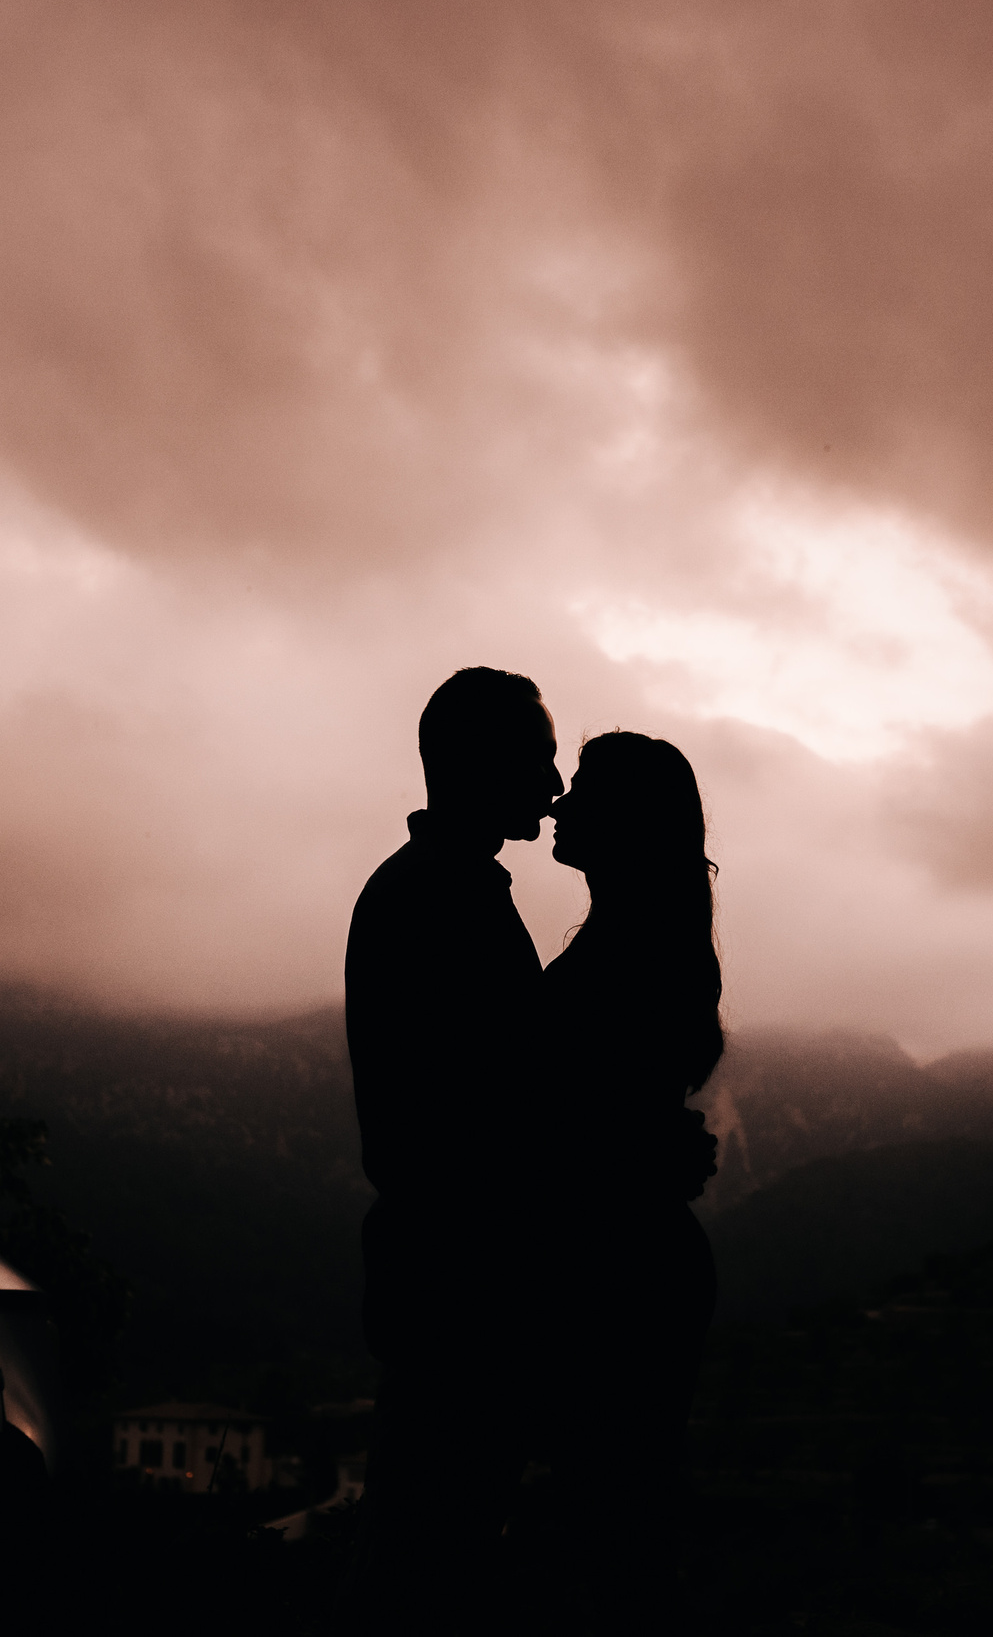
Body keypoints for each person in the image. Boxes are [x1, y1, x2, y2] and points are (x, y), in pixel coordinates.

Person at [338, 666, 562, 1633]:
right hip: (459, 1281)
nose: (554, 788)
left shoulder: (434, 890)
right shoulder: (442, 900)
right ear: (477, 763)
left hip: (442, 1274)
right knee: (436, 1555)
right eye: (538, 760)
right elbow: (494, 1106)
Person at [529, 730, 724, 1630]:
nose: (561, 806)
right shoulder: (645, 941)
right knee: (621, 1523)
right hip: (636, 1256)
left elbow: (582, 1119)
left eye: (582, 792)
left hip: (616, 1269)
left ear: (628, 821)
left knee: (611, 1528)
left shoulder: (625, 955)